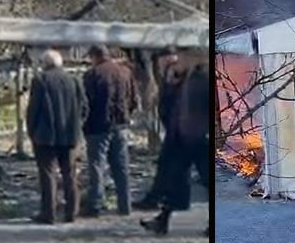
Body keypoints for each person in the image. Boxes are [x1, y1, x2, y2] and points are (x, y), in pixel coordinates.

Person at [141, 57, 210, 236]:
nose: (177, 61)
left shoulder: (203, 77)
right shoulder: (185, 78)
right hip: (182, 136)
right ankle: (162, 220)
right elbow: (176, 106)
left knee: (208, 182)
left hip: (201, 138)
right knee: (175, 177)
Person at [26, 49, 87, 225]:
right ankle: (72, 212)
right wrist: (77, 125)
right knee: (70, 174)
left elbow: (34, 110)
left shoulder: (40, 80)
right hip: (70, 135)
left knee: (47, 175)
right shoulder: (74, 80)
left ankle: (48, 213)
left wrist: (32, 131)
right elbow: (84, 107)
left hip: (45, 136)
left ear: (45, 63)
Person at [81, 45, 138, 217]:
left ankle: (96, 205)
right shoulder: (125, 73)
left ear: (94, 57)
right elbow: (134, 100)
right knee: (121, 166)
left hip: (97, 127)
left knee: (97, 166)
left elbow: (85, 103)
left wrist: (84, 123)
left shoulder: (92, 75)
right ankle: (125, 205)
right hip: (120, 125)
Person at [135, 48, 182, 211]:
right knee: (166, 167)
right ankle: (156, 202)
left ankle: (158, 202)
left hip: (182, 132)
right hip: (174, 131)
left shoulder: (178, 76)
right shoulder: (167, 77)